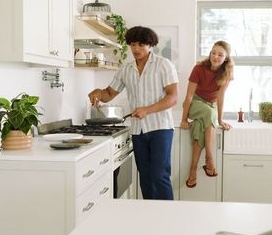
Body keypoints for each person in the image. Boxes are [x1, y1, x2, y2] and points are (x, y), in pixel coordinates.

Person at [88, 26, 179, 200]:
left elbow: (173, 97)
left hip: (160, 129)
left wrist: (147, 110)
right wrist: (98, 92)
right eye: (132, 45)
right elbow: (108, 94)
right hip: (138, 131)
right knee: (145, 177)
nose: (135, 49)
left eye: (140, 45)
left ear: (150, 45)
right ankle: (149, 217)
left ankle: (168, 217)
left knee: (159, 175)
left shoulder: (163, 65)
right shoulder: (126, 69)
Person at [180, 40, 233, 188]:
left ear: (226, 59)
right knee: (209, 113)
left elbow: (221, 97)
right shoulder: (199, 68)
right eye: (213, 53)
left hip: (211, 107)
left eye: (220, 55)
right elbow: (189, 95)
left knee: (199, 125)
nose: (215, 57)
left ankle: (192, 170)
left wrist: (220, 119)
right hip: (195, 103)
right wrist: (184, 119)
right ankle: (209, 158)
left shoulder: (227, 73)